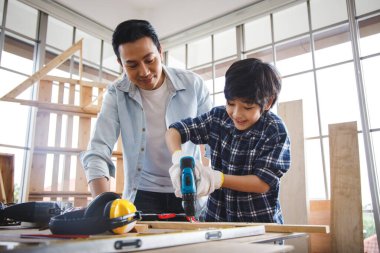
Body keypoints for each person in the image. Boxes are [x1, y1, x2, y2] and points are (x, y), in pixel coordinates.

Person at [80, 19, 212, 215]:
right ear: (120, 64)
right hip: (142, 195)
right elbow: (98, 151)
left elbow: (214, 142)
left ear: (160, 51)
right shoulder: (116, 94)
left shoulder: (194, 85)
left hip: (189, 190)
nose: (144, 72)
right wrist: (102, 207)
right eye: (132, 65)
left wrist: (210, 182)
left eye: (150, 60)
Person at [166, 58, 291, 223]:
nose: (237, 114)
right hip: (217, 219)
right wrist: (178, 158)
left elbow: (262, 183)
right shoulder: (218, 117)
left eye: (247, 107)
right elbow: (174, 131)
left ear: (268, 102)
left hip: (259, 224)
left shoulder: (274, 130)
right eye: (231, 103)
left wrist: (218, 179)